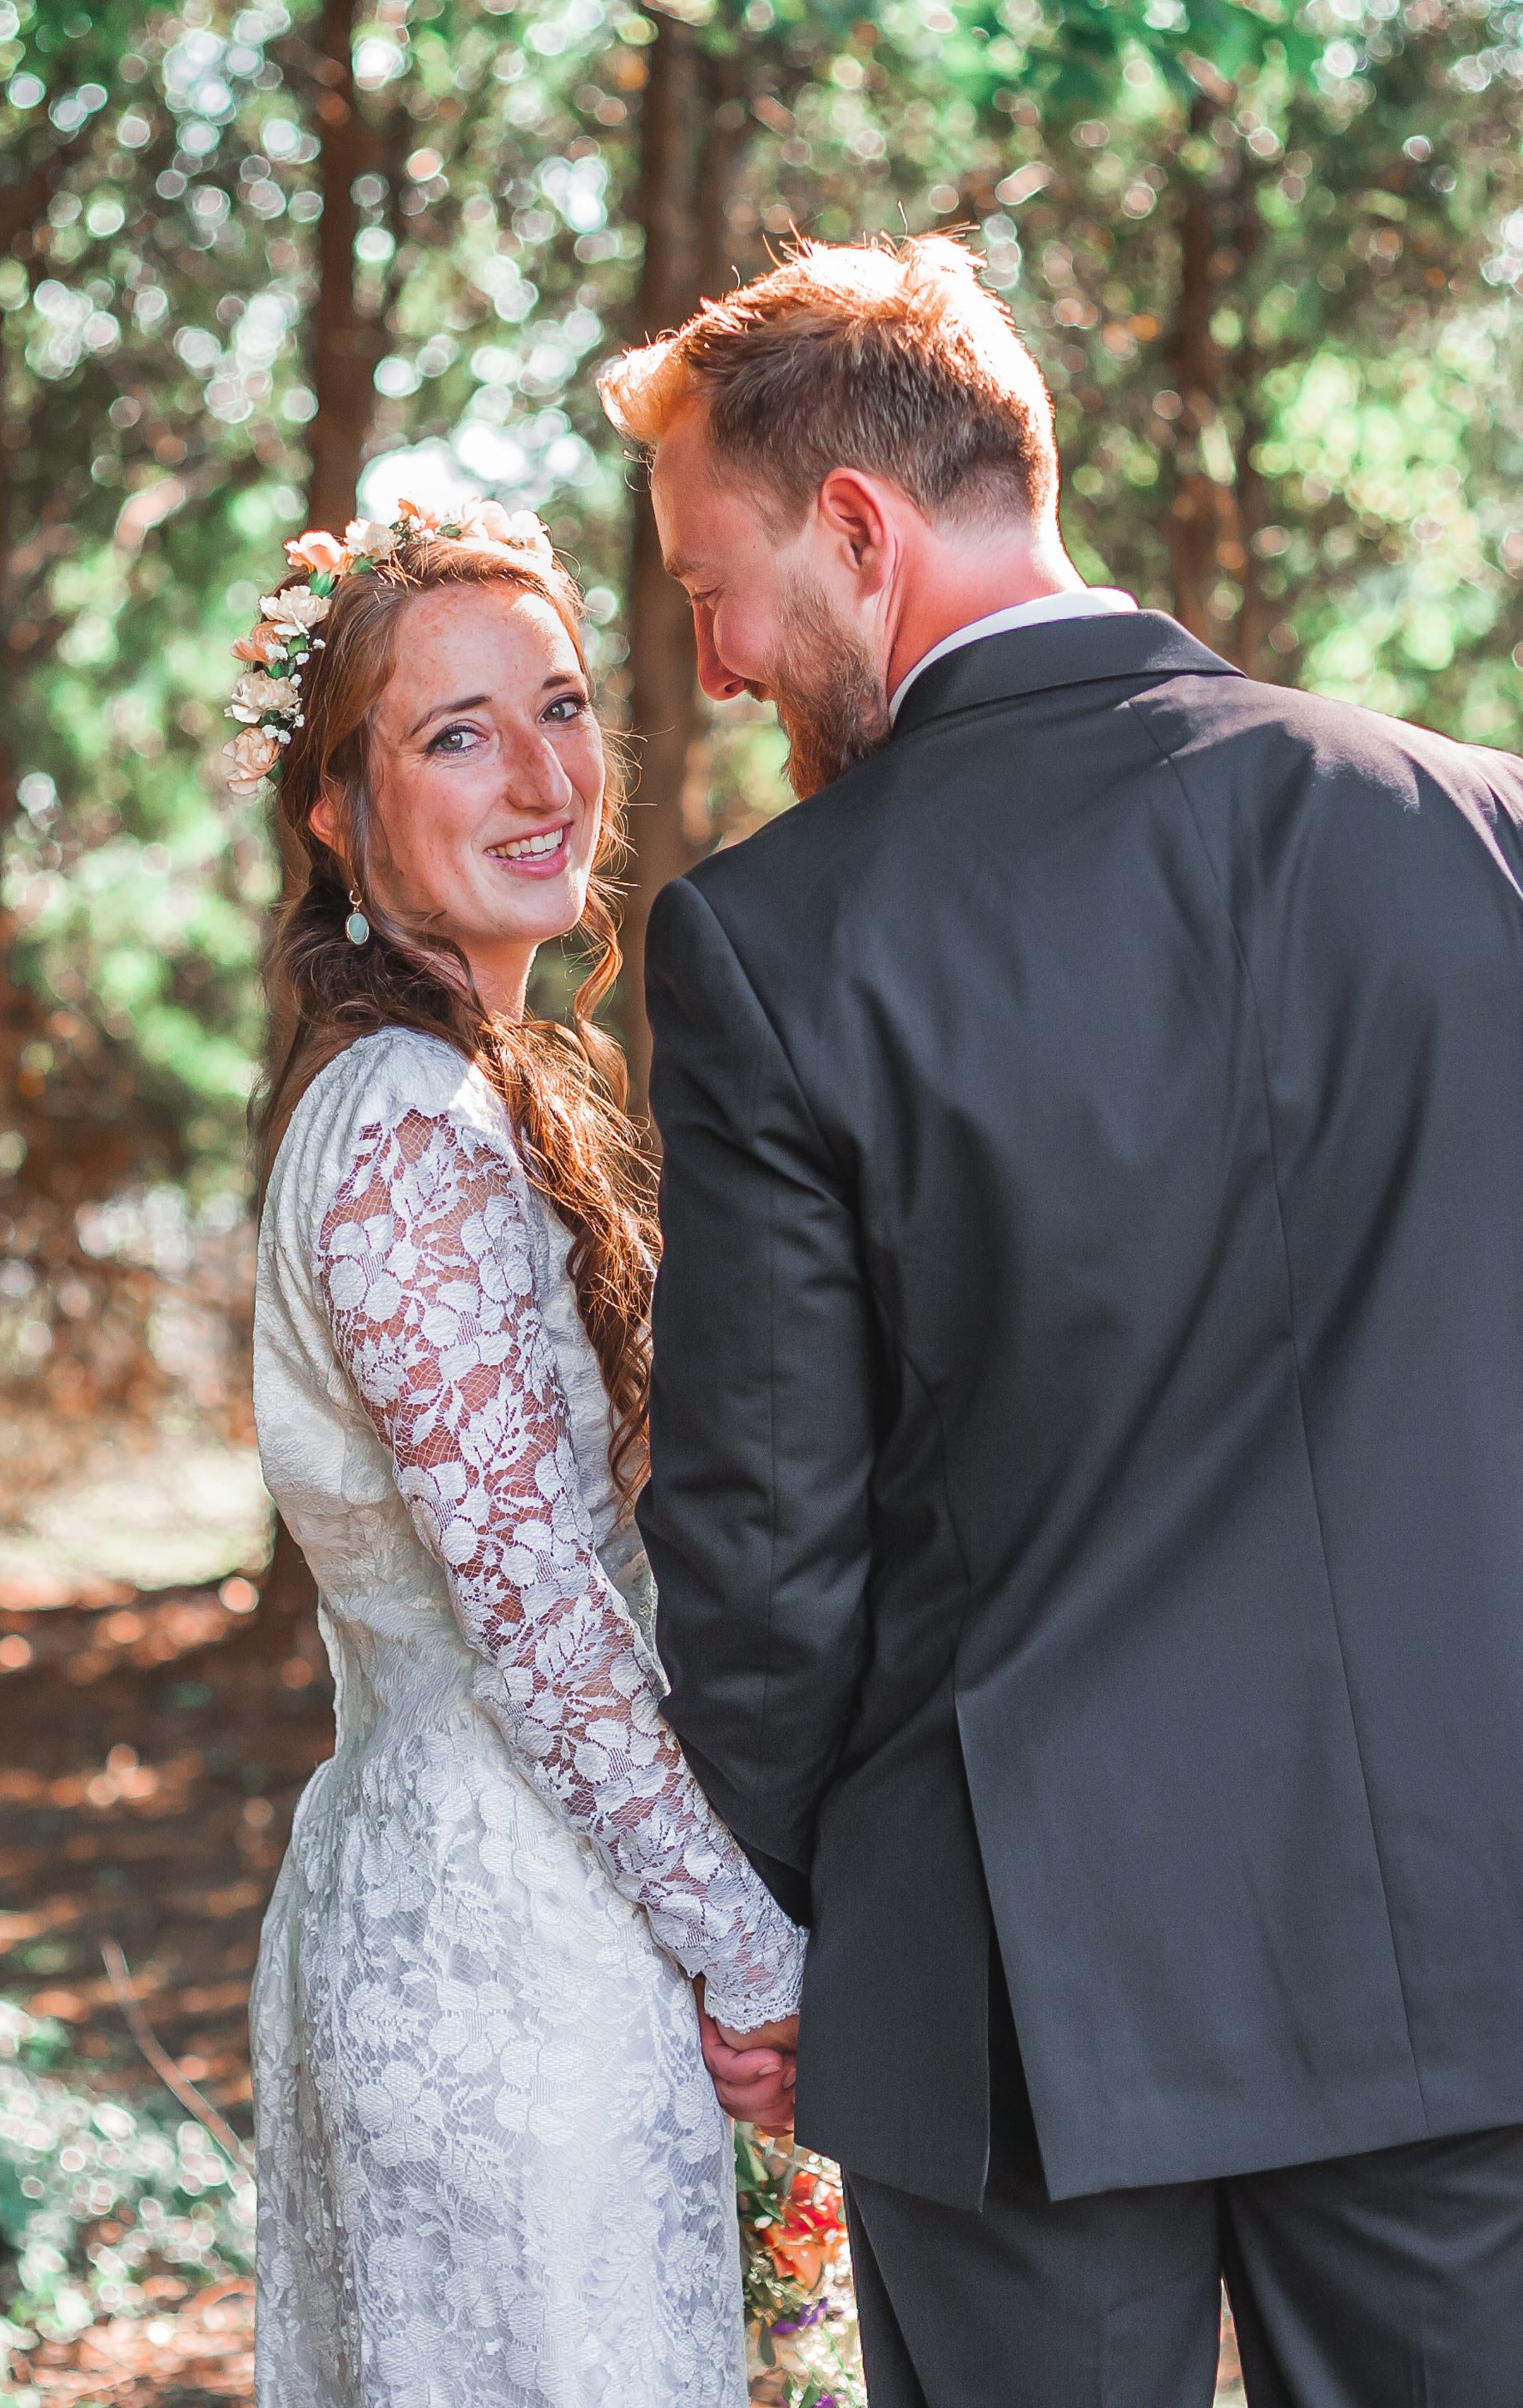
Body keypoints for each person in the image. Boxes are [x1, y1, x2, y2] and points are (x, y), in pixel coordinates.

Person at [598, 235, 1523, 2407]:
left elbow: (754, 1553)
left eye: (708, 583)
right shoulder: (1479, 834)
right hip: (1463, 1939)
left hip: (1015, 1982)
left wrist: (806, 1915)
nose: (715, 661)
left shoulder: (777, 940)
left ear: (857, 529)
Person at [237, 496, 803, 2408]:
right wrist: (753, 1952)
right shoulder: (406, 1132)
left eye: (559, 706)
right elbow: (545, 1621)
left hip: (476, 1892)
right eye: (454, 732)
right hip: (512, 1946)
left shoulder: (440, 1089)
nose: (544, 772)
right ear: (335, 812)